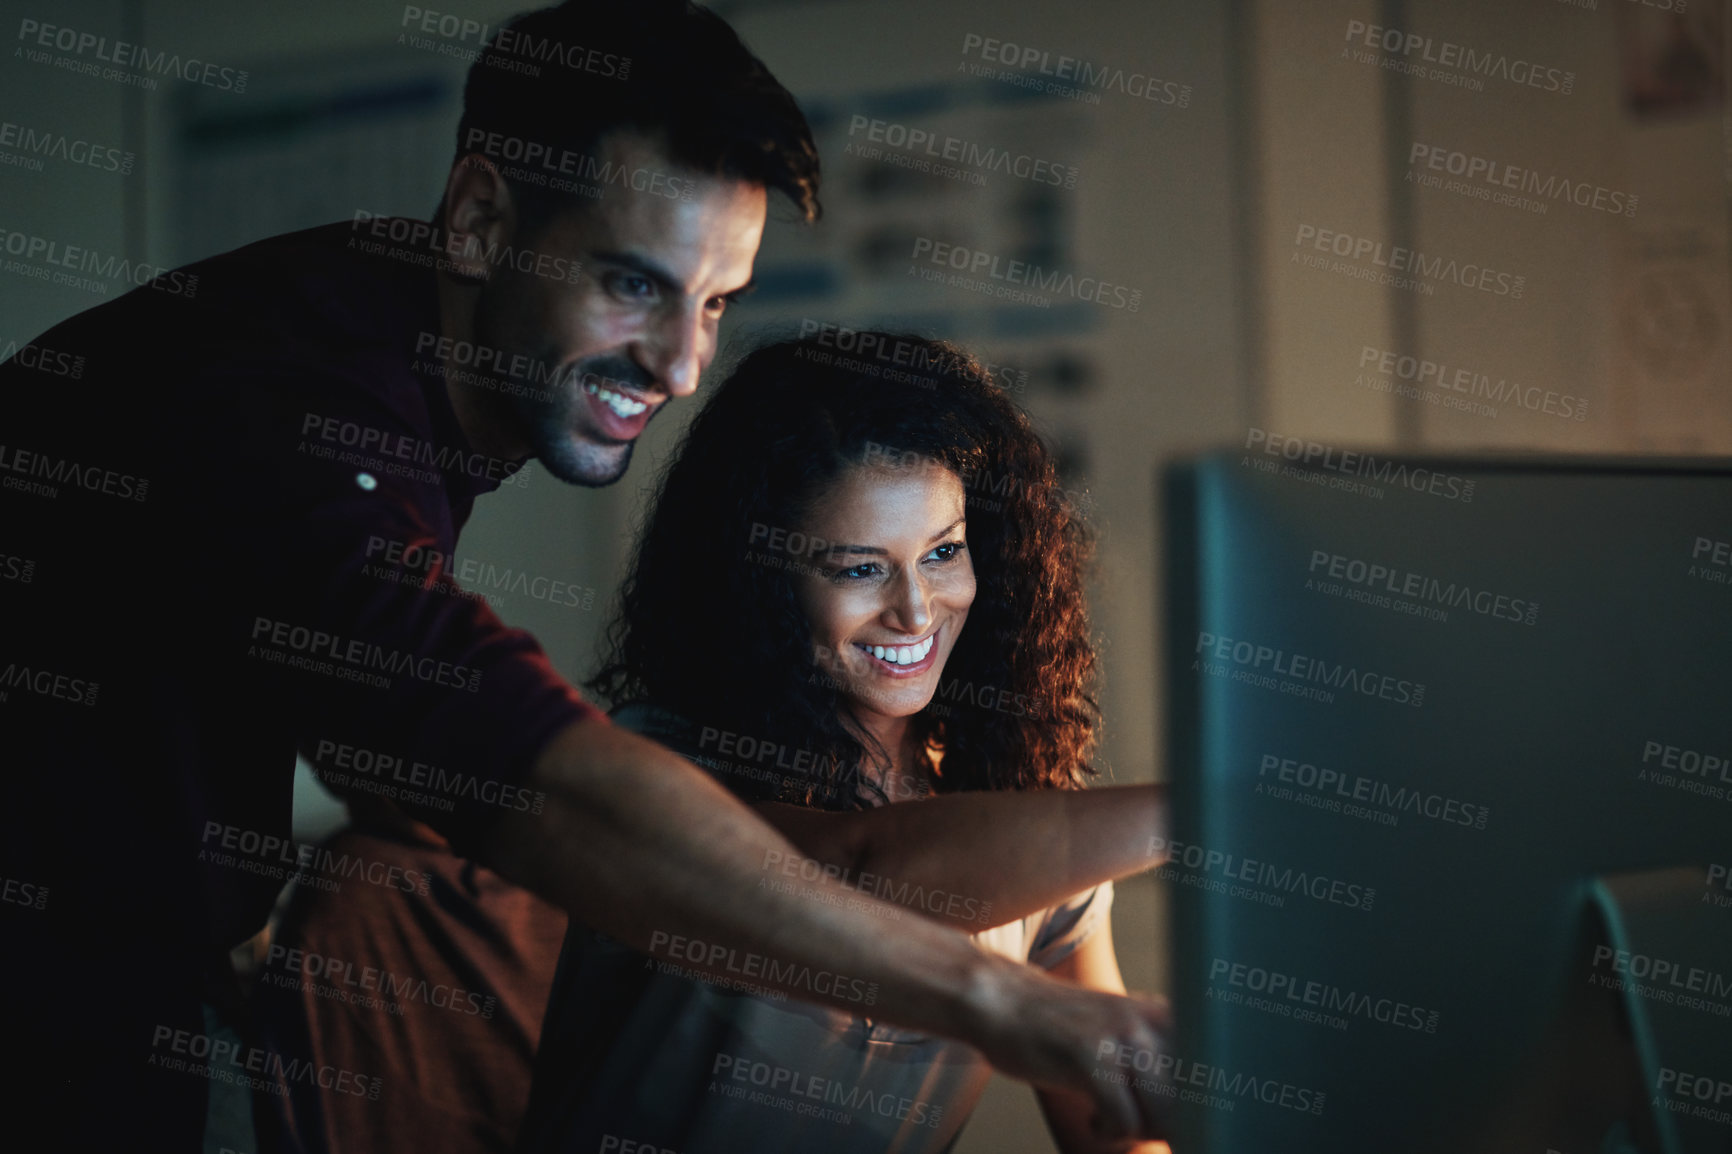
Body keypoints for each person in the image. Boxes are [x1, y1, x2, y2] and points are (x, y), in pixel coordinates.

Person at [0, 3, 1170, 1149]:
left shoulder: (387, 338)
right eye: (634, 284)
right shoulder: (292, 418)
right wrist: (1019, 1008)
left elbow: (367, 697)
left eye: (715, 301)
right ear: (476, 217)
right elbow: (547, 783)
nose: (680, 362)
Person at [516, 332, 1170, 1153]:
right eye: (859, 569)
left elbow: (1115, 1128)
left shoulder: (1029, 817)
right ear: (763, 587)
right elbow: (865, 872)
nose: (917, 610)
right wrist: (1219, 810)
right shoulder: (659, 763)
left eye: (943, 553)